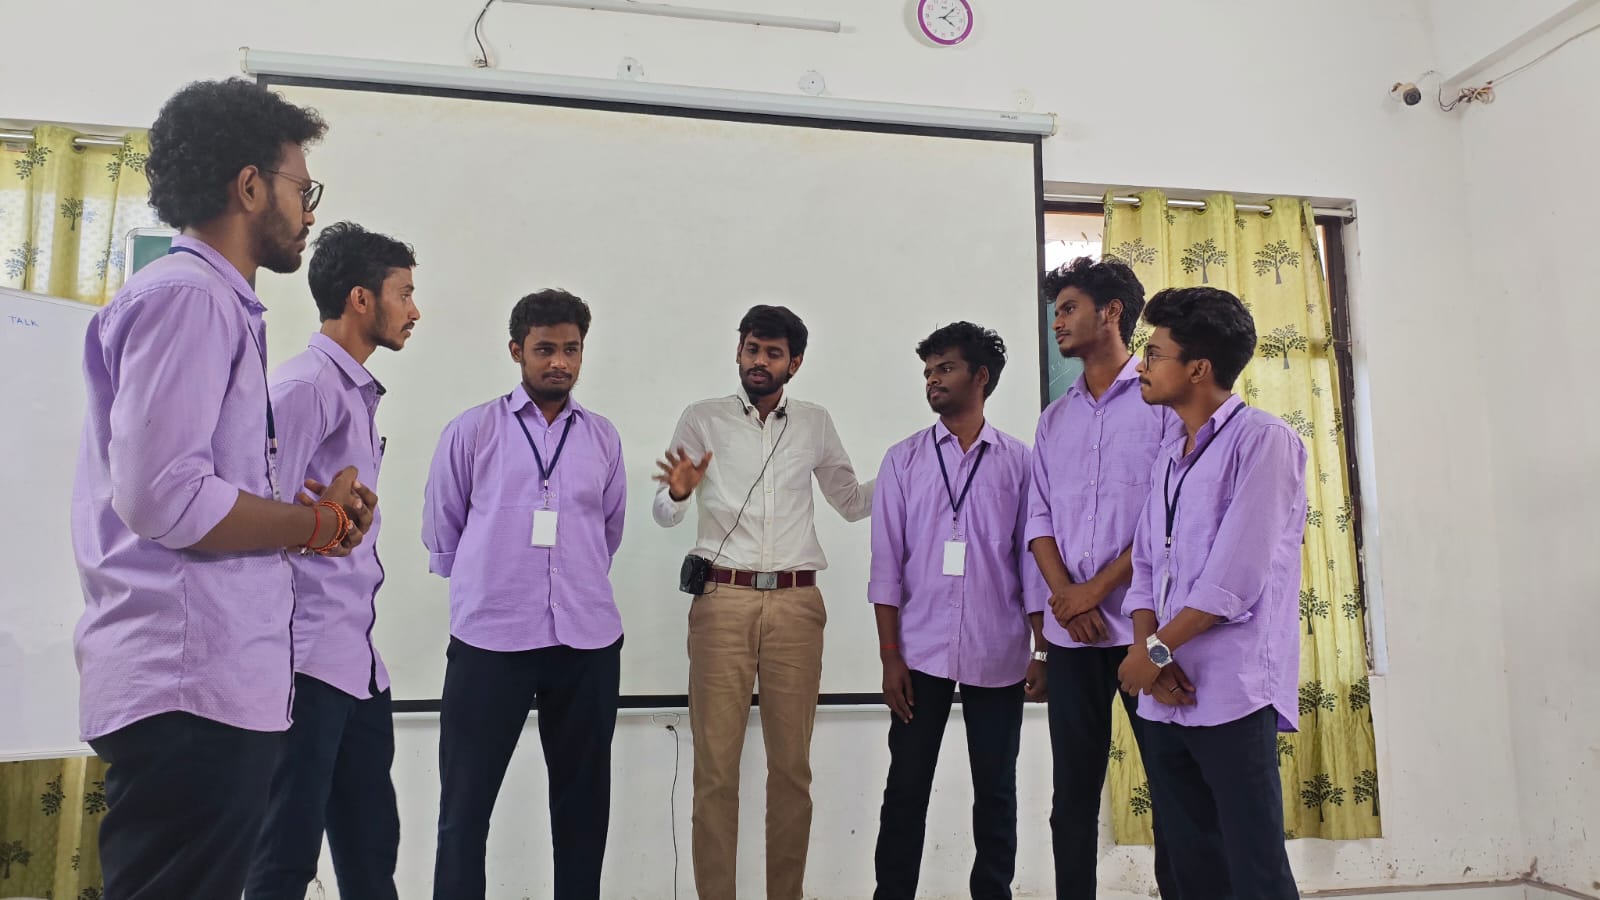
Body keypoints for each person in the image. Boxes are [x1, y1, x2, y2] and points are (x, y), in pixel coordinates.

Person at [71, 78, 375, 900]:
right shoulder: (190, 298)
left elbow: (189, 486)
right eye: (301, 189)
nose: (308, 212)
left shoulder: (216, 304)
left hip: (211, 682)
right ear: (249, 187)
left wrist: (304, 512)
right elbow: (164, 498)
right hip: (187, 682)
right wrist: (313, 525)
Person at [652, 304, 873, 900]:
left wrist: (910, 471)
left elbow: (851, 503)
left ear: (794, 363)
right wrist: (678, 494)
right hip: (722, 601)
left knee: (792, 770)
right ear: (739, 352)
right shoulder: (703, 418)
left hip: (797, 606)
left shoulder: (815, 424)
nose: (759, 361)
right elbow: (664, 512)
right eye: (752, 349)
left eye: (773, 353)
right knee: (715, 771)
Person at [423, 289, 626, 900]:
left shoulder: (603, 437)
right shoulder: (472, 430)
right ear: (517, 351)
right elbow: (443, 528)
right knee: (464, 810)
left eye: (571, 349)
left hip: (586, 641)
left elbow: (607, 532)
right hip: (492, 639)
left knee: (583, 810)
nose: (559, 361)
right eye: (544, 349)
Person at [246, 222, 420, 900]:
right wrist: (325, 523)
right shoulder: (305, 388)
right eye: (403, 293)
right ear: (360, 299)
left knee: (373, 857)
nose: (414, 310)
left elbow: (327, 521)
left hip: (357, 667)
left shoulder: (353, 392)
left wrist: (342, 521)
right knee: (284, 859)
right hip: (304, 663)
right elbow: (258, 521)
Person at [1118, 285, 1307, 899]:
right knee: (1188, 867)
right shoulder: (1170, 452)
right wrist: (1150, 652)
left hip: (1229, 689)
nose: (1141, 366)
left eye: (1155, 354)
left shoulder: (1264, 440)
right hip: (1165, 689)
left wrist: (1154, 652)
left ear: (1198, 368)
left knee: (1254, 868)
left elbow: (1233, 580)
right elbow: (1146, 566)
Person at [869, 323, 1045, 900]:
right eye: (928, 372)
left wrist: (1041, 650)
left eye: (945, 368)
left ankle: (993, 892)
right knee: (906, 787)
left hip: (998, 652)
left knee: (995, 790)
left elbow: (1031, 564)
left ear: (981, 377)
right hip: (918, 654)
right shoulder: (902, 461)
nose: (932, 380)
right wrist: (889, 656)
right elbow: (886, 568)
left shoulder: (1020, 464)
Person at [1028, 257, 1180, 899]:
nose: (1057, 322)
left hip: (1147, 634)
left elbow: (1164, 518)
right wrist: (1067, 597)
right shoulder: (1054, 419)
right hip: (1072, 637)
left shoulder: (1160, 403)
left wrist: (1094, 591)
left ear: (1111, 312)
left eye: (1068, 308)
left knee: (1172, 787)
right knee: (1072, 796)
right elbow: (1038, 518)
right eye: (1056, 311)